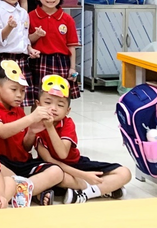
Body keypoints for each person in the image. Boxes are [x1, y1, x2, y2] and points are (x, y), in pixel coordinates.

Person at [35, 75, 131, 203]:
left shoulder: (68, 123)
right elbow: (52, 160)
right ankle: (101, 189)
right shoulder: (36, 125)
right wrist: (84, 176)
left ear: (67, 110)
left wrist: (84, 174)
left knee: (124, 173)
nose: (53, 108)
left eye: (60, 105)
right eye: (48, 103)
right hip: (54, 169)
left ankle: (84, 193)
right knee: (56, 175)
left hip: (76, 164)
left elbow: (63, 153)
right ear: (38, 104)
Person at [0, 61, 64, 206]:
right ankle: (33, 191)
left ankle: (21, 190)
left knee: (57, 172)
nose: (19, 95)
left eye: (23, 91)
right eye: (14, 89)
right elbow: (2, 132)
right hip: (0, 162)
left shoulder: (19, 111)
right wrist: (31, 118)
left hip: (21, 163)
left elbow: (25, 147)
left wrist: (31, 132)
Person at [29, 0, 81, 99]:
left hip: (61, 62)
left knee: (60, 97)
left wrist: (72, 68)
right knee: (38, 98)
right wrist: (36, 35)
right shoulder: (30, 16)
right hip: (39, 62)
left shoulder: (67, 19)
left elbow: (71, 46)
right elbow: (26, 41)